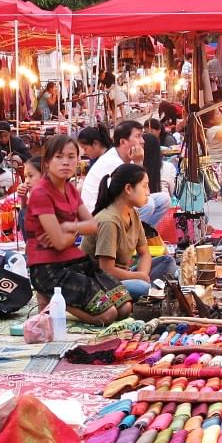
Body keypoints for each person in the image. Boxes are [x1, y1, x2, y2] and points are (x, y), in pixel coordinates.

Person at [23, 135, 131, 325]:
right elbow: (59, 243)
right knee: (108, 315)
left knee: (125, 307)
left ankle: (54, 298)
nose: (66, 162)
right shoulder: (41, 193)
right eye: (59, 156)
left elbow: (93, 225)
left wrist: (69, 227)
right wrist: (75, 230)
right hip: (48, 268)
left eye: (71, 156)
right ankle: (52, 298)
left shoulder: (70, 189)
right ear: (47, 162)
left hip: (74, 261)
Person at [84, 163, 178, 298]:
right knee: (144, 288)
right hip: (100, 282)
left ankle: (148, 290)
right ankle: (148, 291)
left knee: (167, 262)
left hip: (125, 276)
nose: (148, 192)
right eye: (145, 186)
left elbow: (144, 253)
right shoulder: (109, 221)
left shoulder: (133, 213)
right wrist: (137, 278)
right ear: (128, 188)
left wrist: (142, 275)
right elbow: (106, 270)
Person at [81, 120, 171, 227]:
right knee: (148, 205)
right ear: (123, 142)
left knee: (164, 200)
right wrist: (138, 163)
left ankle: (145, 233)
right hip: (98, 216)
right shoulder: (113, 162)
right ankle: (129, 239)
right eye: (138, 136)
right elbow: (137, 194)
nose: (142, 141)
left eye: (142, 136)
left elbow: (144, 189)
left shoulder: (128, 158)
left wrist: (138, 163)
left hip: (115, 208)